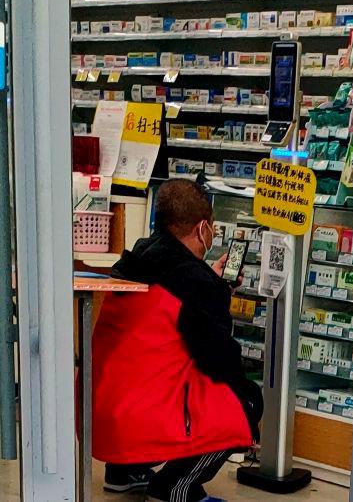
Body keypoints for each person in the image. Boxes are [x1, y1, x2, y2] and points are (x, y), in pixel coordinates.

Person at [91, 179, 262, 502]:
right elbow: (219, 361)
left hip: (102, 416)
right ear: (202, 229)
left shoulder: (139, 257)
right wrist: (215, 292)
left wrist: (211, 282)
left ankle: (123, 472)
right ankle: (175, 487)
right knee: (245, 399)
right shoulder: (194, 282)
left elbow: (169, 314)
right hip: (146, 416)